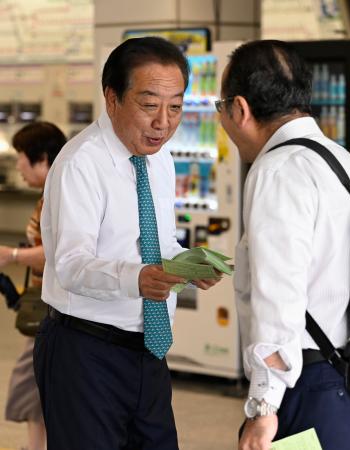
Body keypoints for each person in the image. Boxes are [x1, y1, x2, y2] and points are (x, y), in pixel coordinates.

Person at [33, 36, 220, 450]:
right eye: (150, 105)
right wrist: (137, 279)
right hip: (85, 350)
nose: (164, 122)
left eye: (176, 107)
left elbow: (156, 241)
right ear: (112, 98)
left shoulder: (161, 159)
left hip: (147, 351)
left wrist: (188, 265)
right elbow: (70, 263)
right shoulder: (81, 163)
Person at [216, 39, 350, 450]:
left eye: (220, 108)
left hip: (308, 386)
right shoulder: (349, 163)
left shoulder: (277, 169)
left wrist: (263, 409)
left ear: (240, 109)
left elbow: (277, 297)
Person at [0, 121, 66, 450]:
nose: (17, 166)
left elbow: (58, 254)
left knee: (31, 382)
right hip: (47, 305)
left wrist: (11, 254)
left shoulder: (57, 193)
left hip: (51, 309)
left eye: (20, 157)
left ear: (41, 158)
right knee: (39, 385)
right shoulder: (51, 191)